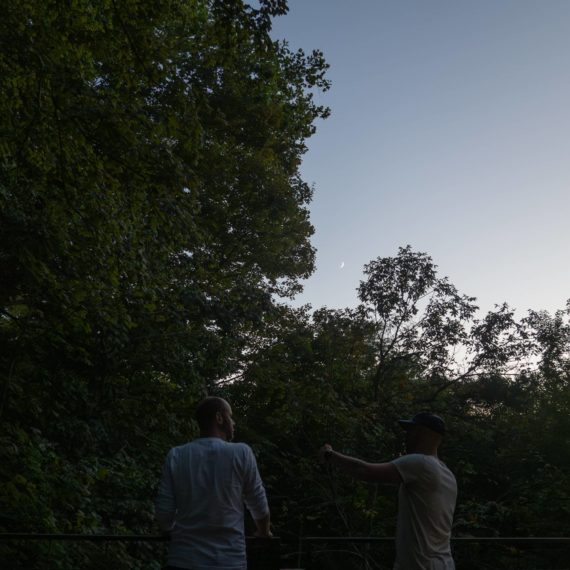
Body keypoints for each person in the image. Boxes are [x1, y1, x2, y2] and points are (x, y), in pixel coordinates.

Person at [319, 412, 457, 570]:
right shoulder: (447, 473)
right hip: (444, 563)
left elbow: (365, 471)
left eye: (411, 431)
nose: (407, 436)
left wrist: (330, 455)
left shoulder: (421, 463)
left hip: (421, 565)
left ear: (423, 433)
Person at [156, 396, 271, 570]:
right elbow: (258, 504)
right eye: (230, 416)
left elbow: (164, 514)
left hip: (183, 560)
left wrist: (172, 530)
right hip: (229, 561)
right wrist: (263, 532)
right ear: (219, 418)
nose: (233, 423)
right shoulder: (242, 453)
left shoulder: (177, 455)